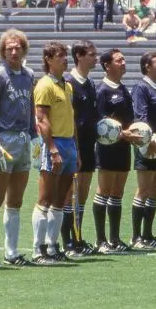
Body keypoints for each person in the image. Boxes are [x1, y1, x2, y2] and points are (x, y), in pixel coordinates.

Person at [0, 29, 36, 268]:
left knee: (16, 201)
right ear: (3, 51)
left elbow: (30, 108)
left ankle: (11, 252)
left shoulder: (29, 75)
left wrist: (35, 138)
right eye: (9, 48)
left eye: (17, 47)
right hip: (3, 140)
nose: (13, 51)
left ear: (24, 49)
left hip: (23, 140)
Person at [93, 49, 144, 253]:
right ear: (107, 65)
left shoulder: (123, 89)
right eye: (119, 60)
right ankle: (100, 240)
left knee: (117, 193)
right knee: (103, 191)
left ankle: (114, 238)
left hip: (124, 147)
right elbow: (101, 123)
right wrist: (123, 134)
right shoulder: (102, 90)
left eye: (123, 59)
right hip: (108, 147)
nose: (123, 62)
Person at [31, 42, 78, 264]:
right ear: (48, 59)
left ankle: (52, 245)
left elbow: (71, 119)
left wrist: (75, 150)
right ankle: (38, 248)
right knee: (45, 198)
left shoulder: (67, 86)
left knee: (60, 199)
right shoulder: (44, 85)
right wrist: (51, 149)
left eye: (65, 55)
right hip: (55, 144)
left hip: (69, 143)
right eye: (60, 56)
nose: (65, 59)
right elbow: (41, 120)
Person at [131, 51, 156, 249]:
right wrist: (149, 140)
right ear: (147, 66)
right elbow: (141, 116)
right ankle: (136, 236)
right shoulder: (141, 88)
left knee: (155, 190)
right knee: (144, 189)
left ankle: (148, 234)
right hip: (147, 144)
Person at [64, 41, 99, 256]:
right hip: (72, 145)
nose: (96, 58)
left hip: (88, 145)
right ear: (79, 56)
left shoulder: (90, 83)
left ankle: (77, 238)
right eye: (92, 54)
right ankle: (67, 241)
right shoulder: (69, 82)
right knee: (69, 195)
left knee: (82, 194)